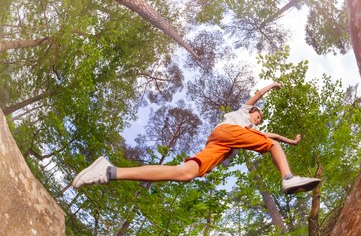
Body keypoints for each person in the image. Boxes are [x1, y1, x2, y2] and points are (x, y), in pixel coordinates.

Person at [72, 82, 320, 195]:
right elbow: (256, 97)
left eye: (259, 121)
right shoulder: (242, 114)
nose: (258, 120)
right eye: (258, 117)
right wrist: (271, 86)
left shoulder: (252, 131)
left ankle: (110, 171)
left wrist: (293, 141)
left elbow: (273, 136)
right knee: (271, 145)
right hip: (225, 132)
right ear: (252, 113)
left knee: (186, 173)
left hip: (220, 146)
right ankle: (287, 178)